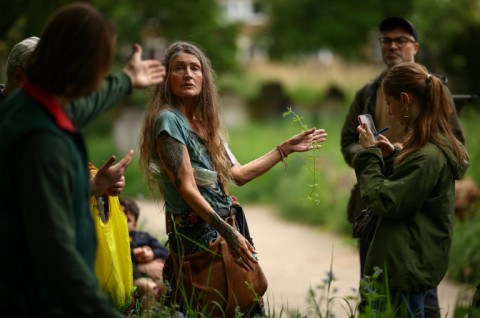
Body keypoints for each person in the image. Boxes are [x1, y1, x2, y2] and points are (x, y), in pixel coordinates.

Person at [138, 40, 328, 315]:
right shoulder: (168, 121)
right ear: (167, 78)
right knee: (214, 308)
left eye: (195, 68)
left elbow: (237, 174)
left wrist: (284, 148)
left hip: (226, 228)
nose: (189, 74)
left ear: (204, 77)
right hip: (199, 238)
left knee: (244, 303)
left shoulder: (205, 122)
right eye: (179, 68)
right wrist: (228, 232)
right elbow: (187, 188)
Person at [0, 3, 165, 317]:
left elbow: (84, 106)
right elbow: (56, 255)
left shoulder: (24, 107)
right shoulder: (42, 140)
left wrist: (127, 79)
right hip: (33, 299)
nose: (101, 73)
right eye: (100, 61)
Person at [340, 16, 465, 316]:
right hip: (380, 219)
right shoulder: (369, 92)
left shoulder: (434, 98)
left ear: (415, 47)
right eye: (386, 40)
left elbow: (393, 198)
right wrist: (392, 156)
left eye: (401, 40)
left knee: (414, 300)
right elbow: (347, 141)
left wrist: (378, 155)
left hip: (404, 234)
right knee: (374, 296)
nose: (391, 114)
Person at [120, 196, 169, 312]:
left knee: (166, 285)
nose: (123, 224)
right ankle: (148, 314)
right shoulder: (118, 241)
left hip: (152, 276)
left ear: (135, 224)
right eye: (120, 219)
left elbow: (164, 252)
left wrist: (152, 254)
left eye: (128, 220)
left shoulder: (143, 237)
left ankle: (167, 312)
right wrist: (135, 256)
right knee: (148, 287)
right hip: (134, 278)